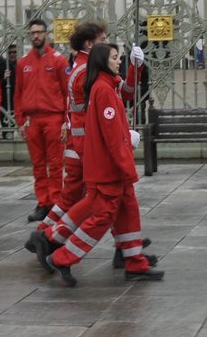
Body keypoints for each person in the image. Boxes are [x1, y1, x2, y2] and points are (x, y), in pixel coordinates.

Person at [44, 42, 164, 286]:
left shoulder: (105, 86)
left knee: (128, 212)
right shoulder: (103, 89)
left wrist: (134, 67)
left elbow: (127, 93)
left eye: (119, 57)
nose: (118, 61)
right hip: (108, 168)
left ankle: (134, 261)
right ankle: (62, 257)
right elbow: (111, 135)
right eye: (114, 57)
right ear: (102, 61)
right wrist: (126, 159)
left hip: (110, 166)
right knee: (102, 216)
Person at [29, 22, 106, 262]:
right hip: (85, 146)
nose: (106, 43)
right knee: (96, 197)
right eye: (103, 39)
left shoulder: (78, 66)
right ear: (89, 43)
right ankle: (50, 237)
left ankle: (44, 233)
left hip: (77, 141)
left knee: (73, 197)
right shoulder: (86, 70)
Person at [15, 19, 69, 223]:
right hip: (32, 120)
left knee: (55, 163)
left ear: (47, 34)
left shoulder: (58, 61)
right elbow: (18, 93)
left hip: (53, 117)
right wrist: (20, 120)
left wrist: (65, 120)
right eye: (33, 33)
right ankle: (42, 202)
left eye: (39, 32)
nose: (36, 36)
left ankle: (55, 202)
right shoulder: (23, 63)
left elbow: (66, 92)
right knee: (37, 164)